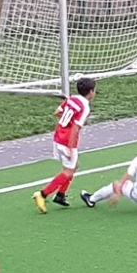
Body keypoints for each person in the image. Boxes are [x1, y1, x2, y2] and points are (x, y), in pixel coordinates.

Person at [33, 77, 97, 213]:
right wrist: (71, 148)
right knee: (68, 172)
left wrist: (67, 120)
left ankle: (60, 195)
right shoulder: (85, 108)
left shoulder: (72, 99)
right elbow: (75, 128)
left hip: (58, 136)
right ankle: (42, 194)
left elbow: (57, 112)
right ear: (91, 92)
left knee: (74, 166)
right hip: (67, 141)